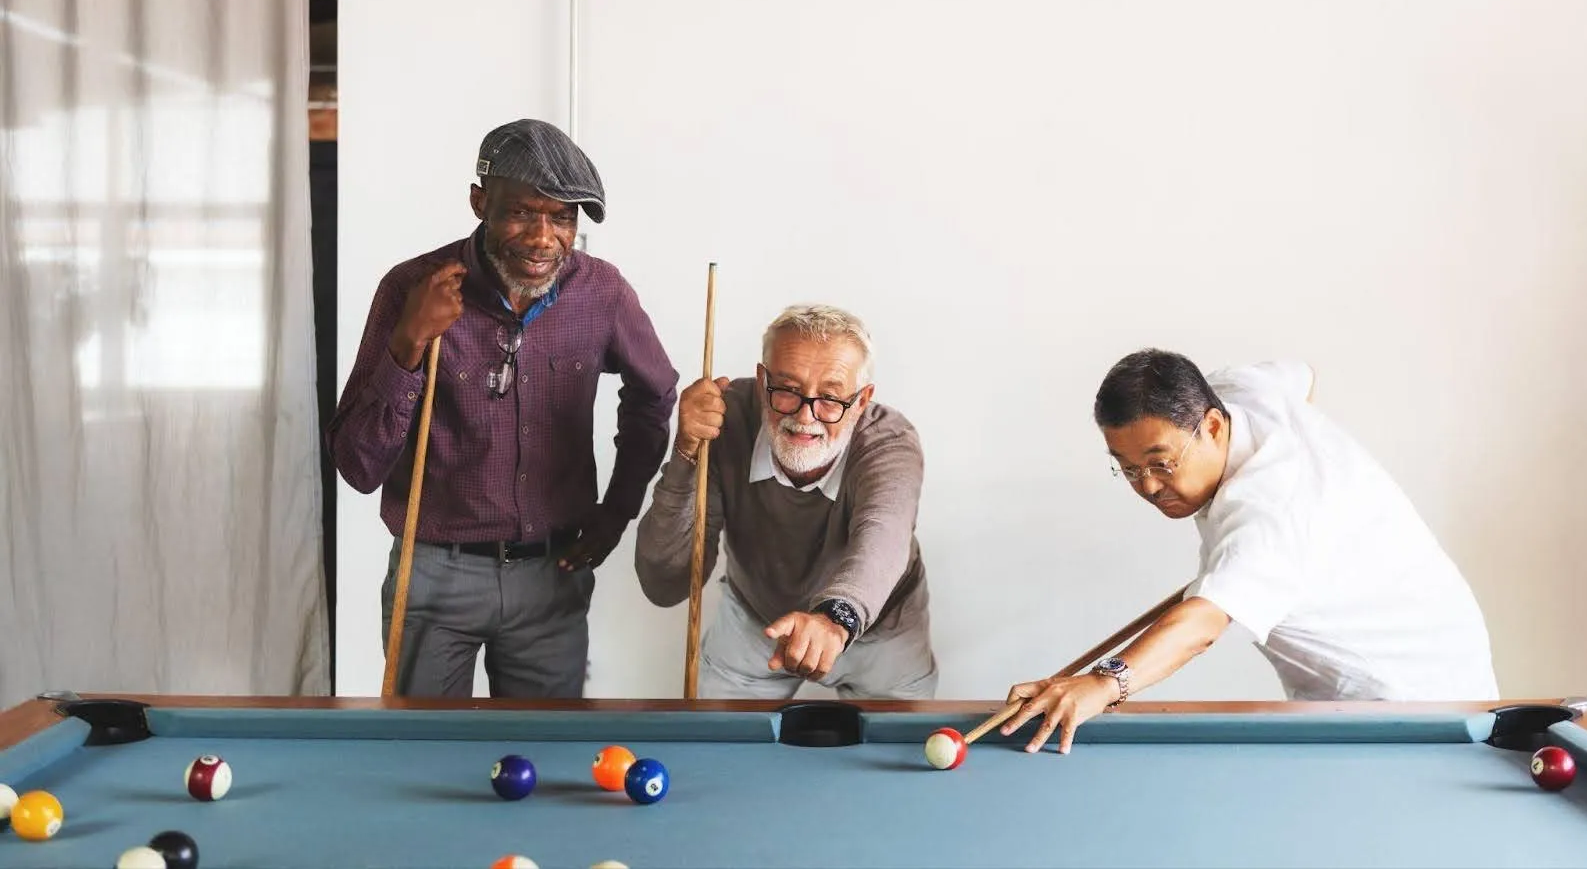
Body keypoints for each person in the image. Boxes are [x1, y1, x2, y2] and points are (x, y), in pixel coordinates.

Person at [328, 118, 678, 699]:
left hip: (552, 575)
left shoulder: (603, 292)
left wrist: (617, 510)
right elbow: (358, 467)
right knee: (425, 762)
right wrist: (408, 343)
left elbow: (655, 394)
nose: (544, 238)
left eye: (562, 218)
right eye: (521, 212)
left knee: (544, 761)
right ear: (479, 202)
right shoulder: (410, 287)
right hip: (433, 574)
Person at [1002, 350, 1498, 752]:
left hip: (1416, 698)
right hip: (1366, 677)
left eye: (1161, 462)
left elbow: (1201, 628)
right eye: (1127, 468)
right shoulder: (1240, 391)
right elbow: (1302, 373)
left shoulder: (1269, 516)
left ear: (1214, 427)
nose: (1148, 486)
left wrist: (1103, 684)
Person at [634, 304, 937, 699]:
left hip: (882, 633)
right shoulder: (723, 418)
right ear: (762, 382)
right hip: (755, 621)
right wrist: (686, 452)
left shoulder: (891, 441)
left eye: (830, 397)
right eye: (788, 390)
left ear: (862, 401)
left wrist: (834, 618)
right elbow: (665, 584)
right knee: (714, 752)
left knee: (900, 758)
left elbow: (882, 540)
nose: (806, 416)